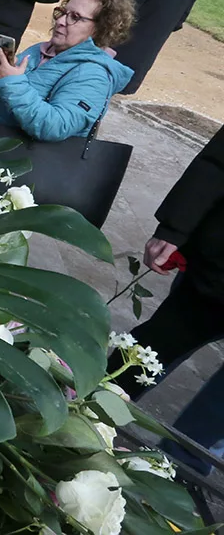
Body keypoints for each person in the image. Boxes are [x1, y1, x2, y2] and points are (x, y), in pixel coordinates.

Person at [111, 125, 224, 474]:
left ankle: (177, 471)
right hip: (217, 274)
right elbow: (217, 163)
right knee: (157, 344)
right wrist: (175, 227)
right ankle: (85, 411)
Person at [0, 0, 135, 140]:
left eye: (75, 17)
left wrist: (10, 82)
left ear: (101, 28)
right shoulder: (41, 50)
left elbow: (56, 127)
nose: (60, 21)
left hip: (20, 158)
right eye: (62, 12)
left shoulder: (94, 75)